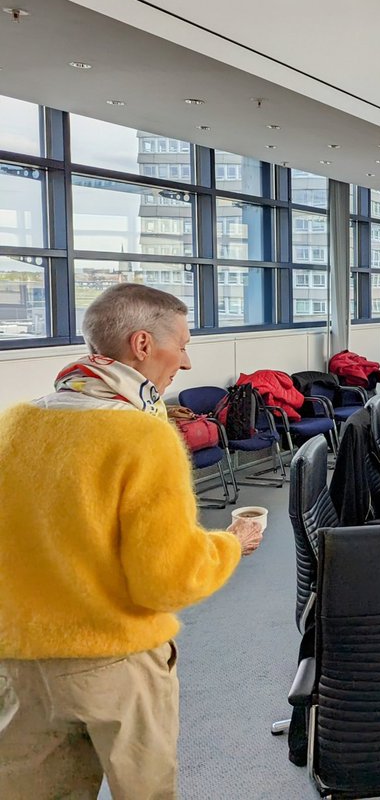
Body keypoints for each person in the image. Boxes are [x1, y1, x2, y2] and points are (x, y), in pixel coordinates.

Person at [0, 283, 262, 799]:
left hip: (21, 662)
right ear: (142, 345)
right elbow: (166, 580)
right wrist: (230, 543)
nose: (185, 363)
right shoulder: (144, 438)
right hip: (115, 663)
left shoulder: (15, 424)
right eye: (182, 344)